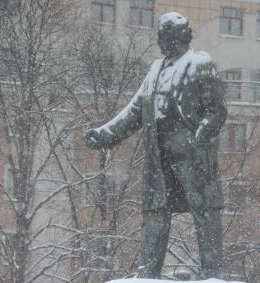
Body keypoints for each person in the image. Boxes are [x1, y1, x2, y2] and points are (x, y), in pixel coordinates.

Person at [85, 12, 227, 279]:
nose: (162, 42)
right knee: (155, 213)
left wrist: (199, 138)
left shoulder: (200, 63)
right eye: (161, 37)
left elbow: (217, 111)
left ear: (182, 36)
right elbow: (134, 111)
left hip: (192, 158)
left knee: (205, 214)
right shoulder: (154, 69)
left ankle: (213, 273)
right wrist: (104, 134)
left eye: (167, 36)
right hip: (158, 159)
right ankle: (148, 273)